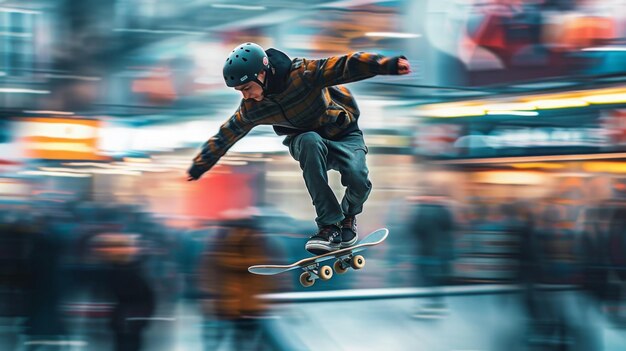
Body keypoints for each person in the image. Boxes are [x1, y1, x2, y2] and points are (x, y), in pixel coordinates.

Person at [187, 42, 411, 255]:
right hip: (304, 140)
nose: (246, 95)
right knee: (309, 141)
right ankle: (328, 227)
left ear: (262, 74)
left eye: (247, 88)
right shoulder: (252, 108)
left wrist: (387, 65)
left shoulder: (303, 73)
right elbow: (227, 133)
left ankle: (348, 219)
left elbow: (346, 65)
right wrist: (199, 166)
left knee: (359, 180)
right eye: (240, 91)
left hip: (343, 133)